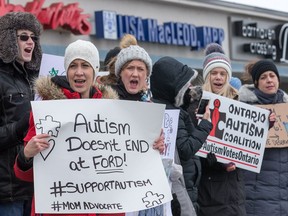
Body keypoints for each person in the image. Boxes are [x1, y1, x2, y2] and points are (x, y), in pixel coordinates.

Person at [13, 39, 124, 216]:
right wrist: (26, 154)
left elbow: (126, 162)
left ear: (94, 71)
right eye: (73, 66)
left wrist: (153, 145)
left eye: (85, 65)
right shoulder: (47, 110)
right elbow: (24, 175)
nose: (79, 72)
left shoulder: (110, 113)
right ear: (67, 70)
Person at [150, 56, 213, 215]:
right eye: (186, 85)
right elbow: (185, 149)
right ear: (172, 88)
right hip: (181, 185)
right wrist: (205, 125)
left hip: (185, 184)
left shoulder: (172, 109)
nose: (190, 87)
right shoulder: (172, 113)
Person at [0, 11, 42, 216]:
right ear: (8, 39)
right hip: (7, 192)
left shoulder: (37, 81)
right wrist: (20, 127)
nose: (31, 42)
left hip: (35, 186)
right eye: (24, 36)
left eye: (33, 37)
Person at [197, 43, 246, 216]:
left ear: (228, 77)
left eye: (223, 73)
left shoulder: (240, 105)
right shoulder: (196, 105)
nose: (218, 77)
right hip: (210, 192)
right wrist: (215, 162)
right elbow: (191, 149)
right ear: (206, 76)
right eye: (214, 73)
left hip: (235, 191)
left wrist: (264, 126)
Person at [238, 59, 287, 216]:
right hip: (256, 194)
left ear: (278, 80)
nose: (269, 80)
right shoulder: (243, 111)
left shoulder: (286, 111)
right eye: (264, 77)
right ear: (257, 83)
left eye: (272, 76)